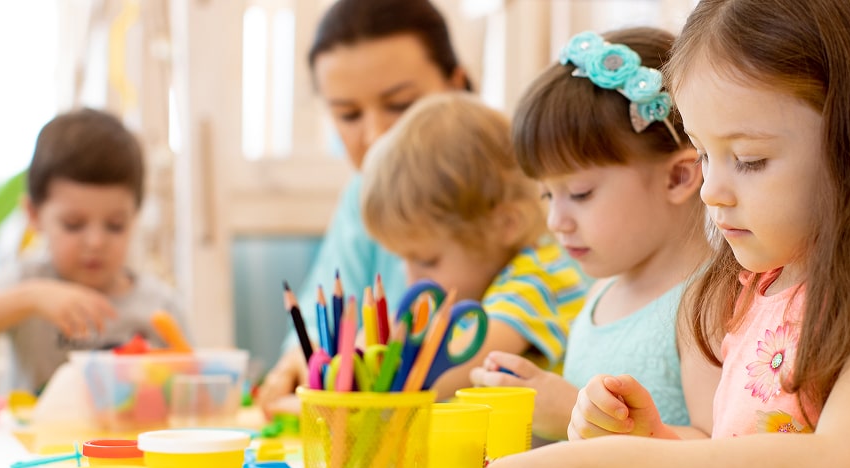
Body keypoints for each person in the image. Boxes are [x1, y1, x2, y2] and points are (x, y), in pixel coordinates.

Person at [476, 0, 850, 468]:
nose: (712, 190)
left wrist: (613, 467)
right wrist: (657, 442)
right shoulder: (758, 289)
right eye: (703, 154)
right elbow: (736, 458)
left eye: (749, 160)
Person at [468, 28, 717, 441]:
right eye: (547, 194)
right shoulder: (600, 291)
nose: (555, 220)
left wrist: (570, 410)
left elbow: (717, 451)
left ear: (678, 176)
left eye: (580, 193)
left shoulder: (704, 305)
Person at [257, 0, 470, 414]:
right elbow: (319, 334)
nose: (375, 136)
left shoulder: (518, 194)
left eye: (400, 105)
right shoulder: (360, 197)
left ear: (455, 86)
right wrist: (299, 365)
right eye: (348, 114)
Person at [0, 109, 189, 393]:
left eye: (115, 226)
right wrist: (30, 298)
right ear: (34, 215)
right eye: (73, 225)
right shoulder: (27, 282)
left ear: (135, 217)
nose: (95, 242)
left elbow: (190, 386)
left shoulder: (158, 305)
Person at [361, 92, 587, 398]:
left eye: (427, 260)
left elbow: (451, 375)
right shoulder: (482, 288)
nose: (412, 279)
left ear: (506, 224)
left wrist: (377, 363)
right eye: (404, 260)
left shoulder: (537, 278)